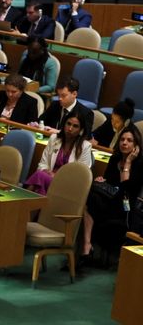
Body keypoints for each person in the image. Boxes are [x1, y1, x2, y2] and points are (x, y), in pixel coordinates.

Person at [83, 125, 143, 261]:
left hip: (126, 207)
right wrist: (101, 181)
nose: (124, 143)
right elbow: (109, 183)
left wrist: (127, 163)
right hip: (110, 200)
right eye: (122, 139)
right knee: (90, 197)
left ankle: (87, 248)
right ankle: (86, 246)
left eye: (129, 140)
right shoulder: (115, 159)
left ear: (136, 145)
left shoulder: (140, 165)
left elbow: (127, 191)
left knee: (91, 201)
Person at [25, 110, 92, 195]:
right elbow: (42, 164)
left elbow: (81, 176)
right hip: (47, 178)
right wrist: (48, 172)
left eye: (75, 126)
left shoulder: (85, 147)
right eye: (68, 124)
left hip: (67, 185)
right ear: (64, 124)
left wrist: (57, 177)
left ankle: (24, 202)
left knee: (39, 177)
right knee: (41, 176)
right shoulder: (54, 138)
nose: (70, 128)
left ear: (81, 130)